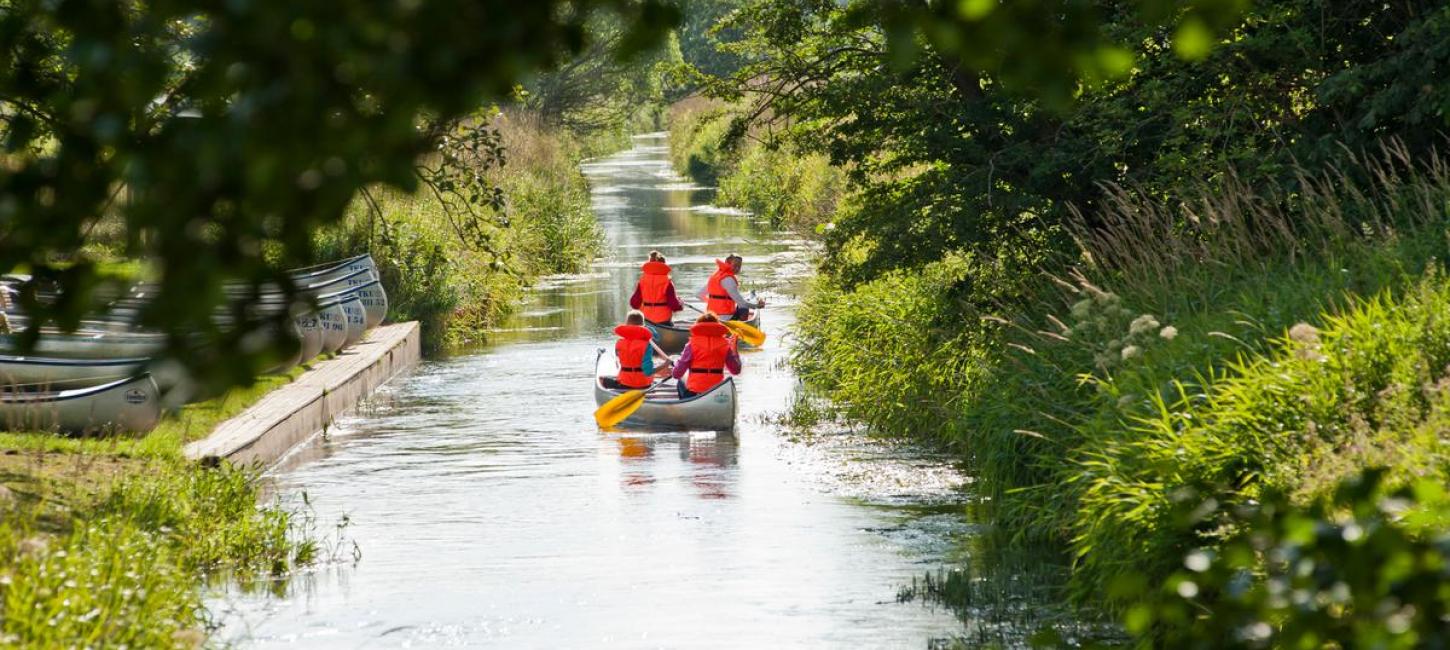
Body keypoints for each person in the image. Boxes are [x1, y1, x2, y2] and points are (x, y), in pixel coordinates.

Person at [671, 311, 742, 399]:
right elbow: (736, 370)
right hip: (716, 391)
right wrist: (735, 350)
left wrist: (676, 365)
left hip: (695, 391)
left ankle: (684, 406)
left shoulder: (691, 344)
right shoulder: (725, 344)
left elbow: (676, 374)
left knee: (680, 381)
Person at [611, 310, 673, 390]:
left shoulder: (619, 343)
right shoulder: (646, 345)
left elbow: (619, 361)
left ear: (626, 324)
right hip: (643, 384)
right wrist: (664, 365)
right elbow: (648, 372)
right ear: (643, 325)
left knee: (605, 381)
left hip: (624, 383)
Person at [699, 254, 765, 321]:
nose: (737, 269)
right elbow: (742, 303)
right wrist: (757, 306)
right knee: (744, 307)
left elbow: (699, 295)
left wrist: (713, 302)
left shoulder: (715, 277)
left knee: (741, 303)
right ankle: (741, 325)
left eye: (739, 266)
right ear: (727, 264)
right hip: (727, 318)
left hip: (711, 317)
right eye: (735, 266)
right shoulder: (729, 279)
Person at [629, 250, 682, 326]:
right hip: (663, 321)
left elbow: (634, 303)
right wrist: (680, 304)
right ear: (663, 265)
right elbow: (674, 305)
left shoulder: (642, 281)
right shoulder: (667, 282)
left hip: (646, 320)